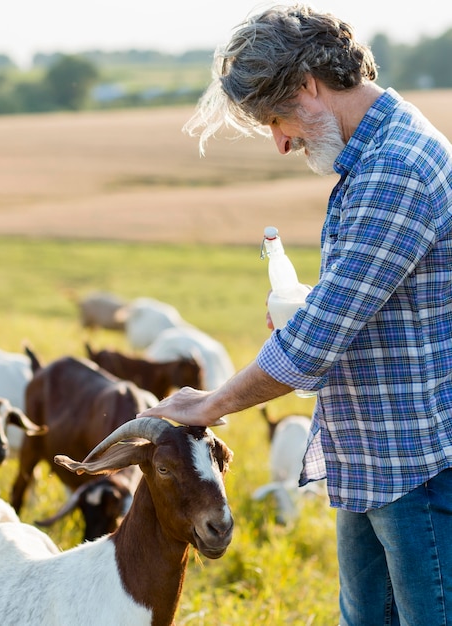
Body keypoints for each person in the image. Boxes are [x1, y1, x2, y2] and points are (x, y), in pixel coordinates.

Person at [138, 3, 452, 624]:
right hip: (369, 460)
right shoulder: (374, 155)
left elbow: (313, 346)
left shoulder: (396, 170)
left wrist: (208, 405)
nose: (282, 143)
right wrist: (310, 305)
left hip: (412, 468)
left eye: (277, 119)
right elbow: (373, 299)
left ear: (309, 85)